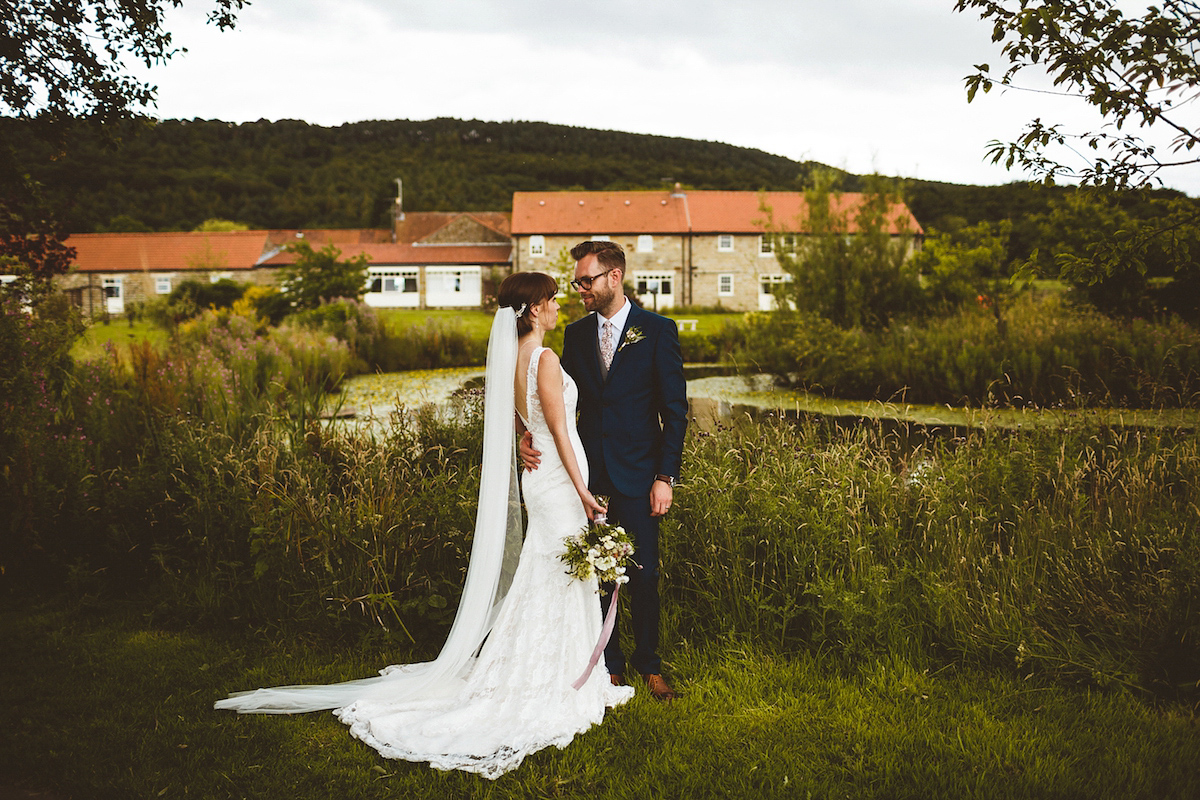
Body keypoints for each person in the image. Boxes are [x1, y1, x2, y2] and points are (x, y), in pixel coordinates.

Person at [214, 271, 633, 780]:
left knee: (548, 569)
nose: (556, 305)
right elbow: (562, 433)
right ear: (533, 309)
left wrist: (525, 437)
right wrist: (585, 492)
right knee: (559, 571)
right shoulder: (543, 358)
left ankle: (560, 669)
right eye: (549, 299)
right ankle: (561, 676)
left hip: (540, 481)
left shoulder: (512, 358)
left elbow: (524, 420)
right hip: (561, 484)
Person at [521, 240, 688, 701]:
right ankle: (608, 665)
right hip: (588, 479)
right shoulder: (574, 336)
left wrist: (665, 476)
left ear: (614, 276)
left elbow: (675, 411)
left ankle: (649, 665)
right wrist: (526, 433)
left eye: (586, 280)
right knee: (593, 573)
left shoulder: (657, 331)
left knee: (645, 573)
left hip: (641, 475)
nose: (579, 290)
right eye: (575, 282)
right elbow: (553, 401)